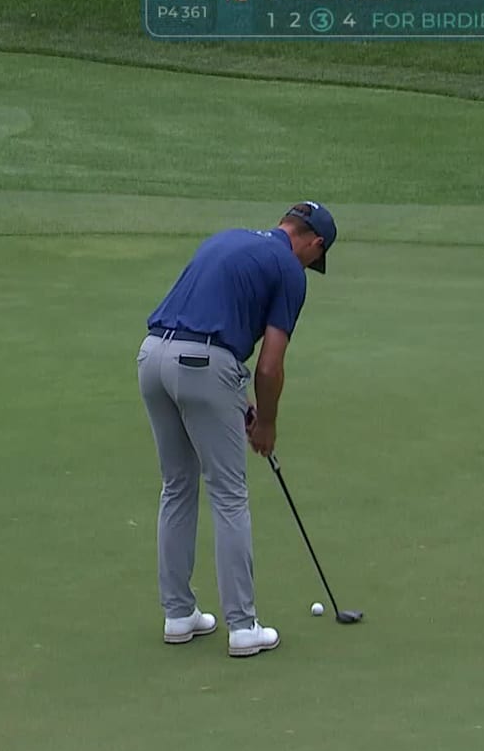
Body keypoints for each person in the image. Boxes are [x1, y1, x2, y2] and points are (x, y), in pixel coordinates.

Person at [137, 201, 335, 658]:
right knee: (228, 494)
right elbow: (269, 366)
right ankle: (243, 626)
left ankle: (178, 614)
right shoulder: (289, 269)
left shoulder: (228, 238)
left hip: (152, 358)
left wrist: (230, 392)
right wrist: (266, 422)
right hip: (205, 364)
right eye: (314, 257)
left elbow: (201, 321)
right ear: (313, 242)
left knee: (177, 486)